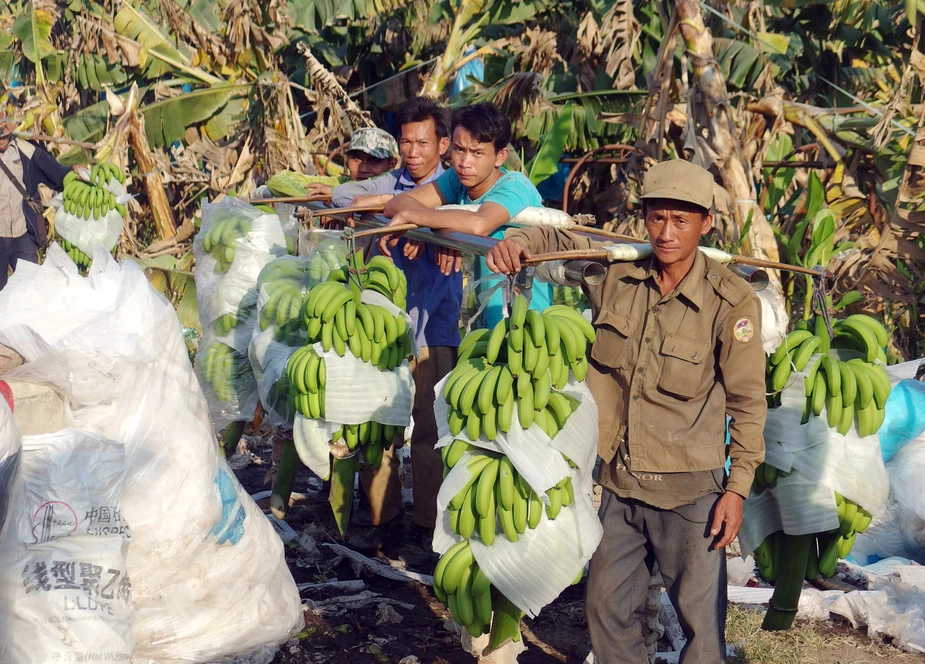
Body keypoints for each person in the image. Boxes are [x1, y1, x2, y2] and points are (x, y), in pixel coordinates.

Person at [484, 160, 767, 664]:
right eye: (657, 218)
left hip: (690, 491)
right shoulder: (619, 272)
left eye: (681, 221)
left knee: (701, 628)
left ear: (706, 224)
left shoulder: (731, 302)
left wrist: (738, 488)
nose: (666, 232)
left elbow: (748, 404)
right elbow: (561, 240)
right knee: (608, 610)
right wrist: (519, 241)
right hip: (619, 480)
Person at [330, 98, 460, 537]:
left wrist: (432, 224)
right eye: (406, 141)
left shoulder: (454, 188)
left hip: (434, 324)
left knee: (429, 430)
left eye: (423, 142)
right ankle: (384, 518)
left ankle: (427, 525)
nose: (413, 151)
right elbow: (345, 194)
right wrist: (395, 204)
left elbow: (478, 219)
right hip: (384, 326)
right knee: (379, 423)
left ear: (443, 144)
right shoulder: (394, 181)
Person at [377, 102, 554, 328]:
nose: (464, 162)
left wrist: (417, 218)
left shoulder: (514, 186)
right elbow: (398, 203)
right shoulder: (457, 180)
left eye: (477, 153)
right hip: (482, 318)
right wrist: (447, 232)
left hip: (526, 320)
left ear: (500, 156)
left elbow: (479, 224)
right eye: (459, 149)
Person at [0, 115, 72, 289]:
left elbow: (55, 172)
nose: (1, 141)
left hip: (23, 233)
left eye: (3, 136)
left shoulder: (26, 149)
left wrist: (72, 172)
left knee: (29, 290)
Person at [305, 127, 399, 198]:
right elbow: (302, 182)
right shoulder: (342, 183)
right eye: (356, 158)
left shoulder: (400, 191)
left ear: (392, 164)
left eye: (374, 160)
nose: (362, 169)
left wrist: (336, 195)